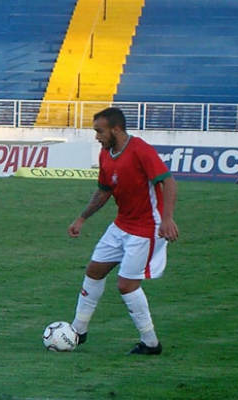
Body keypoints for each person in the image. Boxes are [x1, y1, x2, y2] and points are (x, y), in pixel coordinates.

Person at [67, 107, 179, 355]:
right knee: (94, 270)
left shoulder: (140, 150)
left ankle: (151, 343)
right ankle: (78, 331)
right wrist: (82, 217)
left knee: (126, 285)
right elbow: (105, 189)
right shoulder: (106, 153)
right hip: (122, 224)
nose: (97, 136)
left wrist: (168, 219)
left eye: (100, 131)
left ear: (116, 129)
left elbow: (168, 181)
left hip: (146, 227)